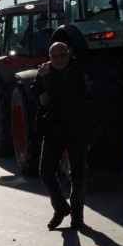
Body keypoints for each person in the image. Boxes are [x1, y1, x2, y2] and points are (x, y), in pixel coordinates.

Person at [32, 42, 92, 230]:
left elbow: (60, 93)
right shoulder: (45, 71)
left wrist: (47, 78)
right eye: (54, 56)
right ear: (50, 57)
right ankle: (60, 207)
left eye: (62, 55)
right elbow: (36, 89)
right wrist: (40, 96)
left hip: (76, 129)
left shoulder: (75, 71)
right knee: (45, 171)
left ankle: (77, 217)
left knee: (78, 174)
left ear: (68, 54)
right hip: (54, 130)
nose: (58, 59)